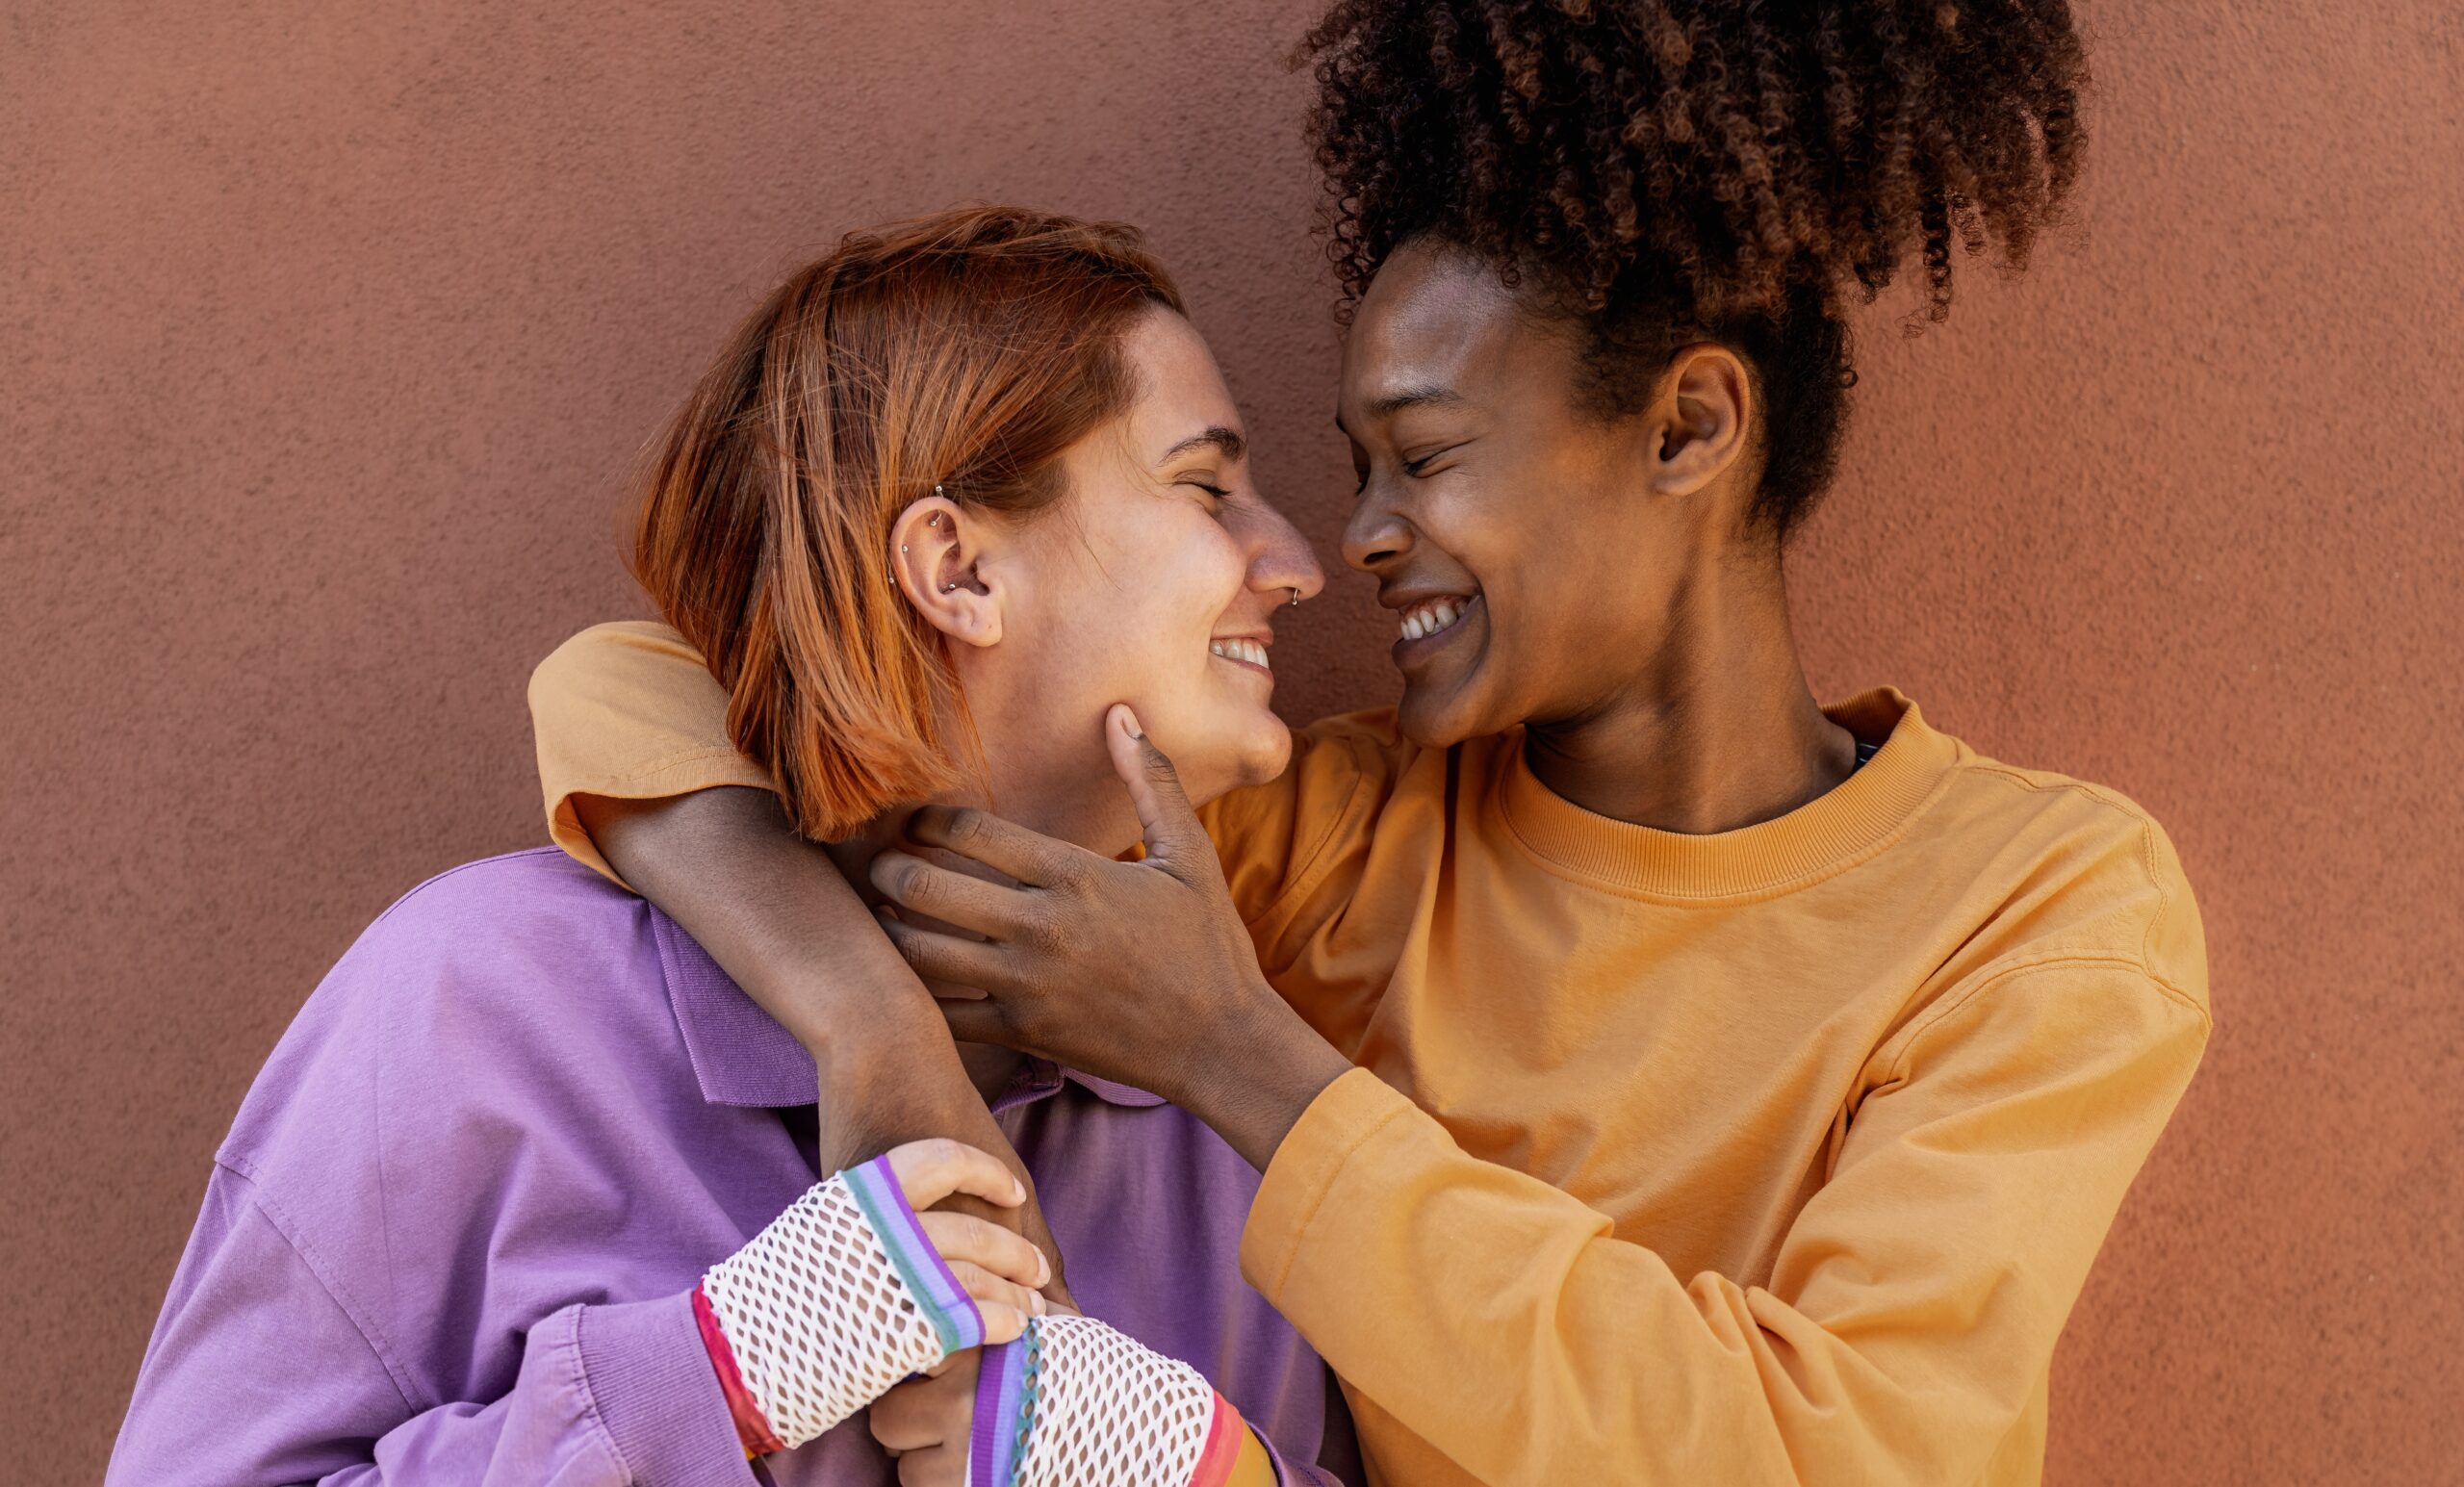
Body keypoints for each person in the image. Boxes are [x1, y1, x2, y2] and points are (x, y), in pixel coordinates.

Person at [522, 2, 2210, 1484]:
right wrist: (866, 1012)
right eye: (1352, 464)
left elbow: (1829, 1456)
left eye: (1427, 454)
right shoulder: (1324, 838)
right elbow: (655, 684)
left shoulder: (2039, 908)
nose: (1353, 539)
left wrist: (1236, 1054)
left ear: (1689, 426)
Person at [111, 207, 1355, 1486]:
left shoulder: (1232, 1122)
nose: (1299, 562)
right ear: (958, 568)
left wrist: (1203, 1470)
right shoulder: (475, 1008)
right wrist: (715, 1369)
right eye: (1206, 485)